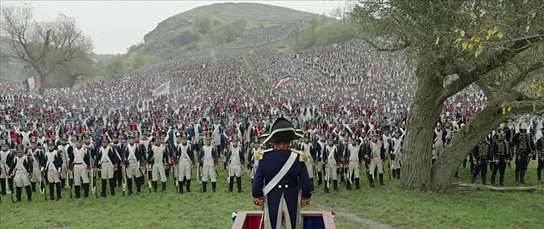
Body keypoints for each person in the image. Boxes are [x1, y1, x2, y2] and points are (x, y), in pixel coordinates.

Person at [252, 117, 312, 229]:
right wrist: (305, 197)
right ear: (290, 141)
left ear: (274, 141)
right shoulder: (298, 157)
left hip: (272, 198)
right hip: (292, 198)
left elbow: (257, 181)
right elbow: (306, 182)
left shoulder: (265, 157)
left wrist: (258, 197)